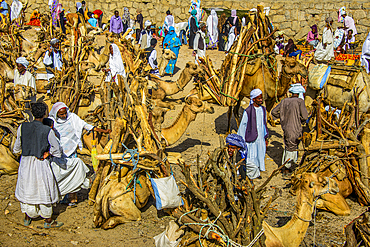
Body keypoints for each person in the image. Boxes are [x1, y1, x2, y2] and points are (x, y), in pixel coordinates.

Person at [48, 102, 110, 205]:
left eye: (64, 113)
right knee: (59, 174)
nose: (64, 116)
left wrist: (103, 131)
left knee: (73, 175)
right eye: (61, 114)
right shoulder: (52, 122)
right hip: (58, 152)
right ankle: (61, 195)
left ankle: (72, 198)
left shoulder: (72, 118)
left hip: (71, 151)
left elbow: (85, 125)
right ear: (56, 113)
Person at [14, 103, 63, 228]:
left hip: (25, 162)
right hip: (40, 163)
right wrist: (48, 153)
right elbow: (57, 150)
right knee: (43, 188)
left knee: (27, 187)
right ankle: (48, 220)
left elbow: (16, 148)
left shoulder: (22, 127)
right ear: (45, 114)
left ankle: (27, 217)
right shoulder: (47, 131)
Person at [271, 84, 308, 177]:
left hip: (286, 128)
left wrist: (283, 117)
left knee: (288, 146)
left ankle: (288, 167)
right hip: (295, 128)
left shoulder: (284, 101)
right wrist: (299, 119)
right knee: (291, 147)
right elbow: (305, 116)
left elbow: (274, 112)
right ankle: (286, 169)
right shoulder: (300, 102)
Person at [237, 89, 269, 179]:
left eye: (261, 98)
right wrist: (241, 141)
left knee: (260, 155)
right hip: (251, 138)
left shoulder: (263, 109)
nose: (261, 100)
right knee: (252, 156)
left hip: (261, 138)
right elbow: (243, 126)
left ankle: (257, 172)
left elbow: (264, 124)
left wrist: (266, 136)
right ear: (254, 99)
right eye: (258, 98)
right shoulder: (248, 111)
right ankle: (252, 174)